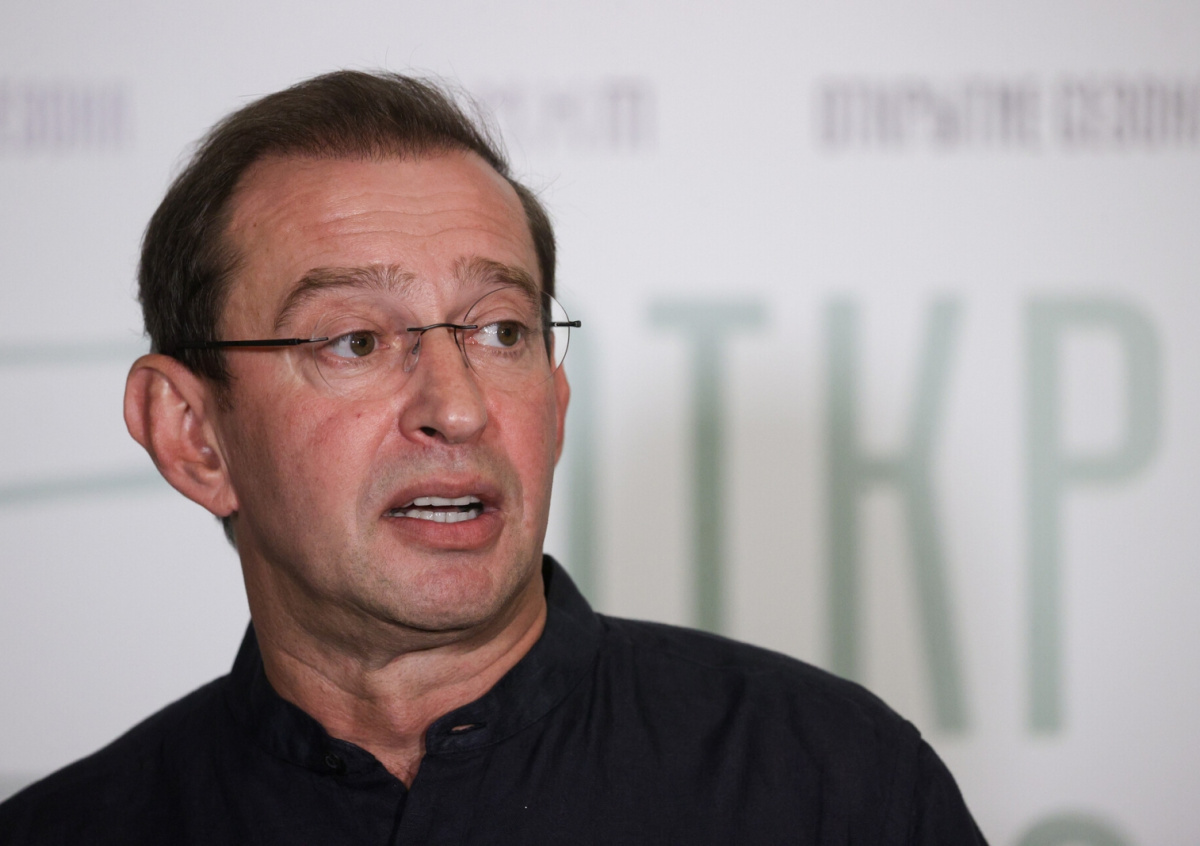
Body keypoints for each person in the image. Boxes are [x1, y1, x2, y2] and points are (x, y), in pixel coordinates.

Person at [0, 70, 987, 844]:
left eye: (501, 331)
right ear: (191, 433)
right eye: (355, 341)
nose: (459, 407)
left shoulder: (831, 785)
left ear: (556, 401)